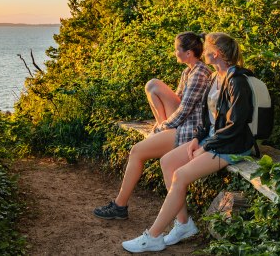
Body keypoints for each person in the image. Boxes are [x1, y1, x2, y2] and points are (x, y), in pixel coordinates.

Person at [121, 32, 256, 253]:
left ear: (217, 53)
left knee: (180, 175)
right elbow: (207, 118)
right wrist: (196, 139)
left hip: (232, 145)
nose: (203, 50)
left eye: (208, 47)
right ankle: (183, 224)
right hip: (211, 140)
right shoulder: (214, 78)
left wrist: (206, 146)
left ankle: (153, 236)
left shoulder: (237, 81)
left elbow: (236, 125)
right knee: (167, 162)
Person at [93, 32, 212, 220]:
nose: (175, 53)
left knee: (137, 151)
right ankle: (123, 205)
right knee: (152, 85)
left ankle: (120, 206)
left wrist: (165, 126)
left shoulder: (199, 73)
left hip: (189, 130)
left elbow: (185, 109)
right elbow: (179, 99)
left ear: (188, 53)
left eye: (177, 49)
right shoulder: (188, 71)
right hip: (182, 125)